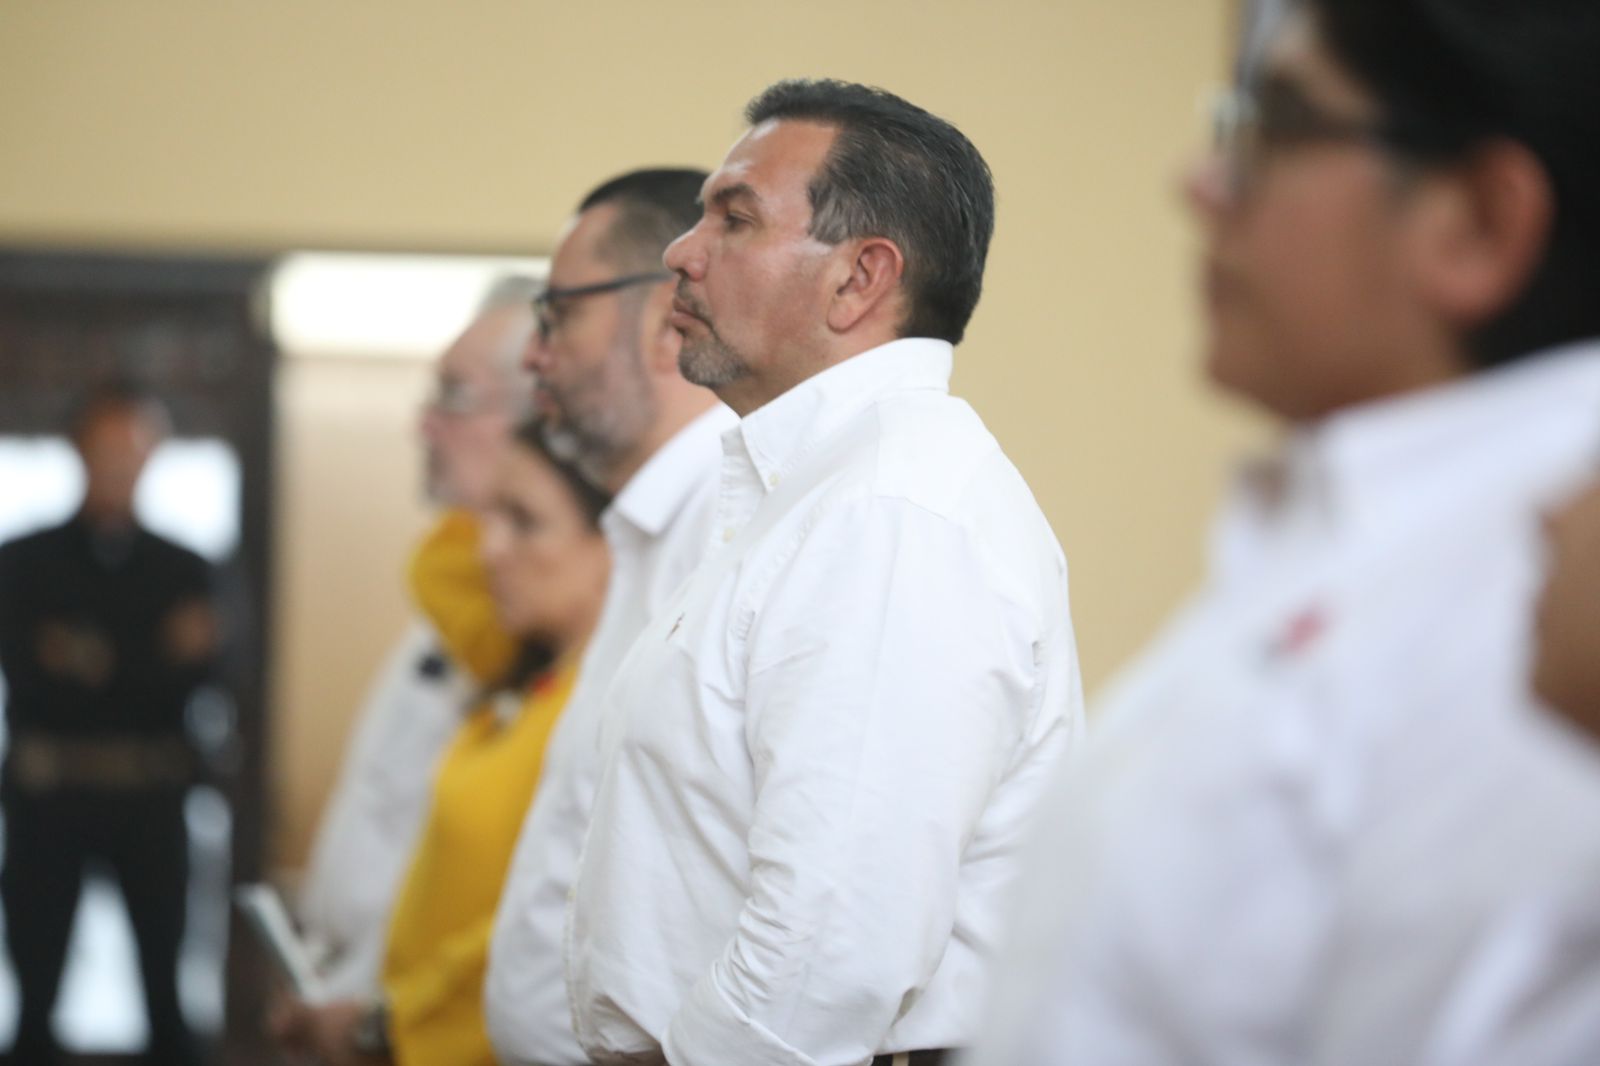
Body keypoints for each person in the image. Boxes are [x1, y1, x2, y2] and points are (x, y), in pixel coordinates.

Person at [961, 2, 1600, 1064]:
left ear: (1477, 224)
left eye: (1276, 127)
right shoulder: (1361, 527)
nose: (1201, 183)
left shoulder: (1542, 600)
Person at [565, 80, 1083, 1066]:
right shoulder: (824, 492)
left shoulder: (891, 513)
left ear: (859, 279)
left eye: (734, 217)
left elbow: (828, 953)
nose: (681, 252)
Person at [484, 167, 734, 1066]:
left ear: (666, 317)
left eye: (557, 315)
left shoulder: (731, 532)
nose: (533, 356)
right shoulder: (647, 528)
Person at [273, 420, 611, 1066]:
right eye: (490, 519)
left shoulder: (599, 711)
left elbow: (542, 927)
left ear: (614, 543)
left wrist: (385, 1026)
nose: (490, 549)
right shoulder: (528, 685)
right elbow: (435, 568)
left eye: (525, 522)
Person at [297, 278, 536, 999]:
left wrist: (374, 1012)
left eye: (455, 397)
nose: (423, 426)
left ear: (547, 408)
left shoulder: (554, 622)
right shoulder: (448, 584)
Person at [0, 382, 221, 1066]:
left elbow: (208, 674)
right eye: (108, 447)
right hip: (49, 798)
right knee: (35, 994)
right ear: (78, 450)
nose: (122, 464)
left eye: (136, 449)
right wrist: (151, 653)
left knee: (167, 997)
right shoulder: (24, 562)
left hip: (150, 799)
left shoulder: (185, 566)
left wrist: (93, 657)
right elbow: (31, 671)